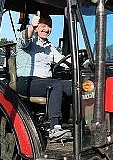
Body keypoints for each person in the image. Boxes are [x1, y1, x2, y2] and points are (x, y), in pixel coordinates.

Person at [16, 11, 72, 140]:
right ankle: (54, 128)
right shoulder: (29, 41)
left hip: (44, 82)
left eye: (49, 26)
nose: (46, 29)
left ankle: (81, 123)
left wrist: (80, 62)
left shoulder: (50, 46)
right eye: (43, 25)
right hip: (27, 82)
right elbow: (25, 38)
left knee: (77, 86)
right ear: (36, 27)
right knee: (55, 84)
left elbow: (62, 60)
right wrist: (31, 27)